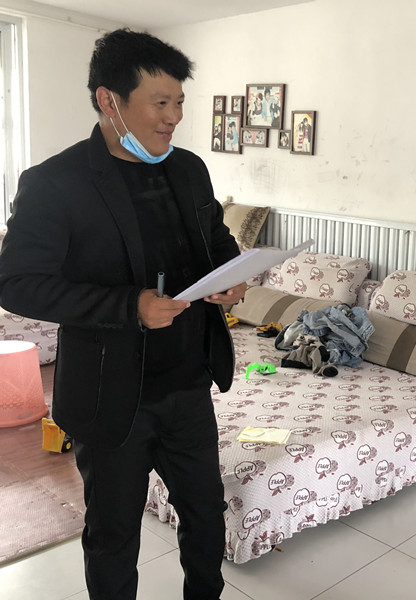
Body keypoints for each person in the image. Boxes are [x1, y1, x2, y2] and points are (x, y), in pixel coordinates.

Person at [0, 29, 247, 600]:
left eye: (179, 101)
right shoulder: (54, 183)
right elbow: (16, 284)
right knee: (113, 536)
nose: (174, 117)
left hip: (188, 386)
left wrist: (230, 277)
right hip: (111, 398)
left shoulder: (189, 169)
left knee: (206, 518)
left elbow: (217, 241)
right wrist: (128, 306)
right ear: (109, 100)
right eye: (160, 103)